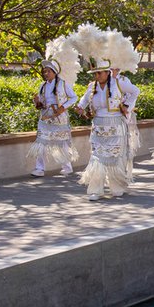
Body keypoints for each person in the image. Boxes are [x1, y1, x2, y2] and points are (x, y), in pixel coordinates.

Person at [72, 26, 136, 201]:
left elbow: (135, 92)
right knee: (98, 158)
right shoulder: (92, 87)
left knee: (115, 157)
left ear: (107, 72)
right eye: (95, 73)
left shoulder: (120, 83)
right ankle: (96, 189)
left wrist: (126, 106)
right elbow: (84, 100)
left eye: (99, 73)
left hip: (115, 125)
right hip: (99, 127)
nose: (97, 76)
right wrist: (79, 107)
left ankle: (117, 186)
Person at [28, 37, 79, 179]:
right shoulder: (42, 86)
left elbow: (74, 97)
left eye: (48, 71)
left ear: (54, 72)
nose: (46, 74)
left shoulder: (63, 84)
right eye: (45, 71)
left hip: (59, 117)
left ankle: (67, 167)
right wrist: (37, 102)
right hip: (45, 117)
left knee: (62, 143)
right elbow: (40, 103)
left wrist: (63, 107)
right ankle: (39, 168)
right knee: (41, 143)